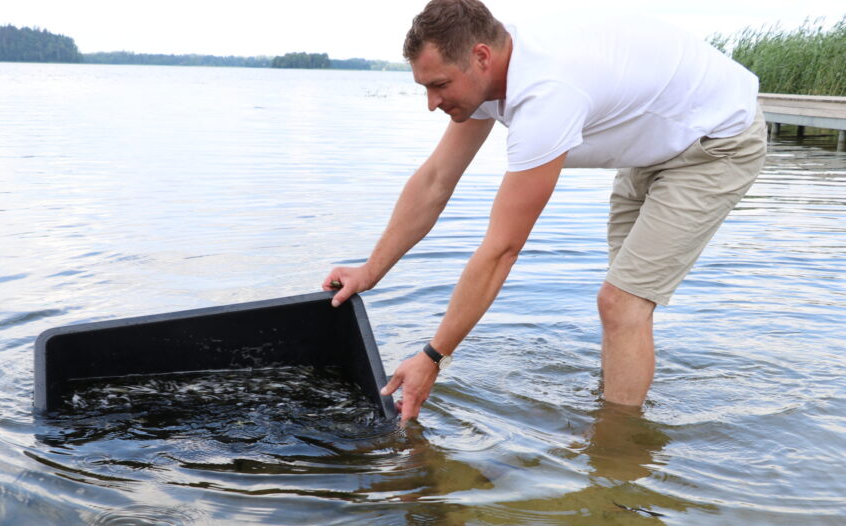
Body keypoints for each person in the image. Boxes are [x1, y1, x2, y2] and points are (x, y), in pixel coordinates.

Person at [322, 0, 767, 426]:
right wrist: (371, 270)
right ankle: (616, 415)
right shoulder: (491, 73)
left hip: (718, 141)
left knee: (622, 302)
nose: (432, 103)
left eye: (439, 85)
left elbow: (503, 250)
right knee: (624, 307)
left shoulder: (546, 95)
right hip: (657, 140)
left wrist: (432, 356)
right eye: (425, 87)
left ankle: (618, 458)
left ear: (480, 57)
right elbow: (437, 180)